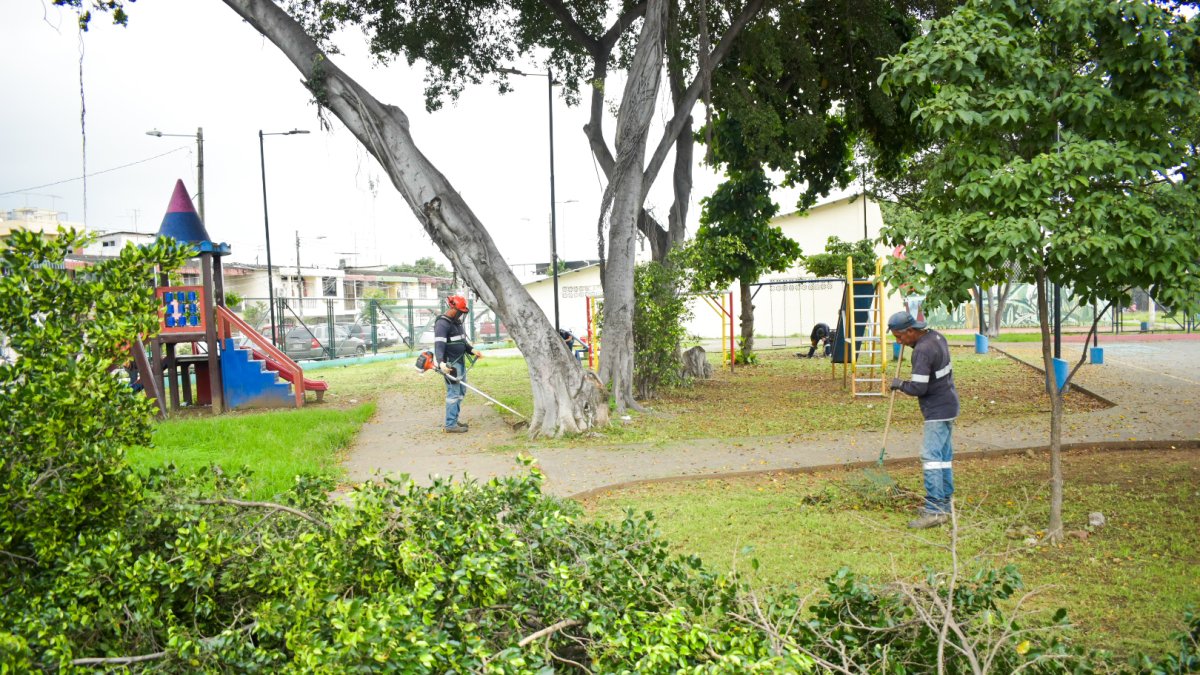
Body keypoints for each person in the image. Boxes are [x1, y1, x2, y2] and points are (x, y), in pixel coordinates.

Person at [888, 311, 960, 529]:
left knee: (931, 457)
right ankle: (946, 504)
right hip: (949, 404)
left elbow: (919, 387)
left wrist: (899, 384)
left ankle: (935, 510)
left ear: (911, 331)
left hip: (937, 410)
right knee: (943, 457)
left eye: (900, 337)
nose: (899, 342)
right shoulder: (936, 337)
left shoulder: (922, 350)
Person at [434, 295, 482, 433]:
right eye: (460, 311)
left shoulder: (457, 323)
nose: (461, 314)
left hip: (460, 362)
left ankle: (454, 419)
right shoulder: (442, 324)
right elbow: (439, 345)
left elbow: (463, 342)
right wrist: (441, 363)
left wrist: (472, 350)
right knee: (453, 393)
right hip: (451, 365)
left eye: (463, 312)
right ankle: (450, 425)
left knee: (461, 392)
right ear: (452, 307)